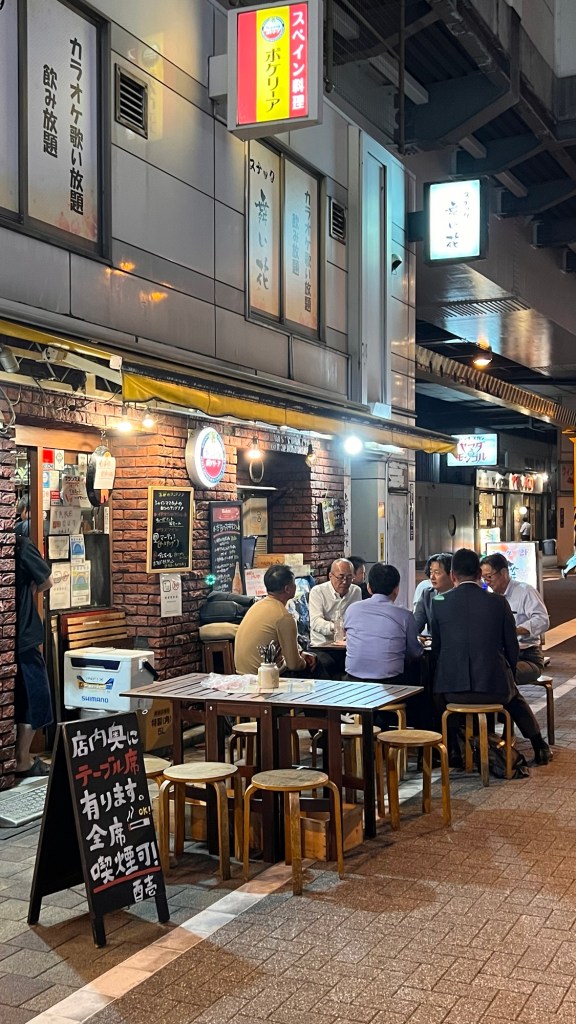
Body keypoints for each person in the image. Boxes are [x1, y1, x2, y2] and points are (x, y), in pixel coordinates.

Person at [431, 548, 552, 765]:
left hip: (453, 693)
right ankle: (539, 745)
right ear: (479, 574)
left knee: (434, 697)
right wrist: (508, 671)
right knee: (512, 693)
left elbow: (437, 648)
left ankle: (452, 751)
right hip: (494, 691)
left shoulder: (439, 602)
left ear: (452, 575)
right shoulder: (498, 602)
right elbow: (511, 646)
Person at [344, 563, 423, 683]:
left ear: (369, 588)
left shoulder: (352, 609)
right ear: (396, 589)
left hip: (353, 679)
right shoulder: (405, 615)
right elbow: (415, 652)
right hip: (390, 682)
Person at [15, 533, 54, 777]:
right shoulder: (21, 544)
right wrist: (31, 590)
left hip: (11, 636)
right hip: (25, 633)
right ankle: (22, 760)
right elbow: (47, 581)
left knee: (19, 697)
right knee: (35, 696)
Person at [234, 564, 317, 677]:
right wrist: (305, 662)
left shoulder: (257, 606)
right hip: (264, 678)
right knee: (318, 664)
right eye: (294, 583)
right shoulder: (284, 617)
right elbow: (294, 665)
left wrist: (301, 653)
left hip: (242, 675)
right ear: (287, 589)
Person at [480, 553, 549, 684]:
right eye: (483, 578)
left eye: (489, 577)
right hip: (499, 655)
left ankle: (513, 698)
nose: (486, 582)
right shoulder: (488, 597)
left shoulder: (525, 591)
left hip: (526, 656)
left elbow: (542, 620)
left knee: (501, 675)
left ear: (504, 572)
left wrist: (514, 631)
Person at [308, 558, 362, 678]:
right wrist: (336, 627)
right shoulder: (318, 592)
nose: (345, 581)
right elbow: (315, 622)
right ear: (330, 576)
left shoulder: (356, 591)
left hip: (347, 646)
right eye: (340, 577)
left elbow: (357, 619)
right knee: (328, 664)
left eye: (349, 577)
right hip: (322, 646)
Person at [413, 552, 453, 635]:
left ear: (451, 574)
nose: (432, 577)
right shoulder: (427, 594)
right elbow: (416, 623)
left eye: (437, 573)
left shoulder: (460, 595)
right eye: (431, 572)